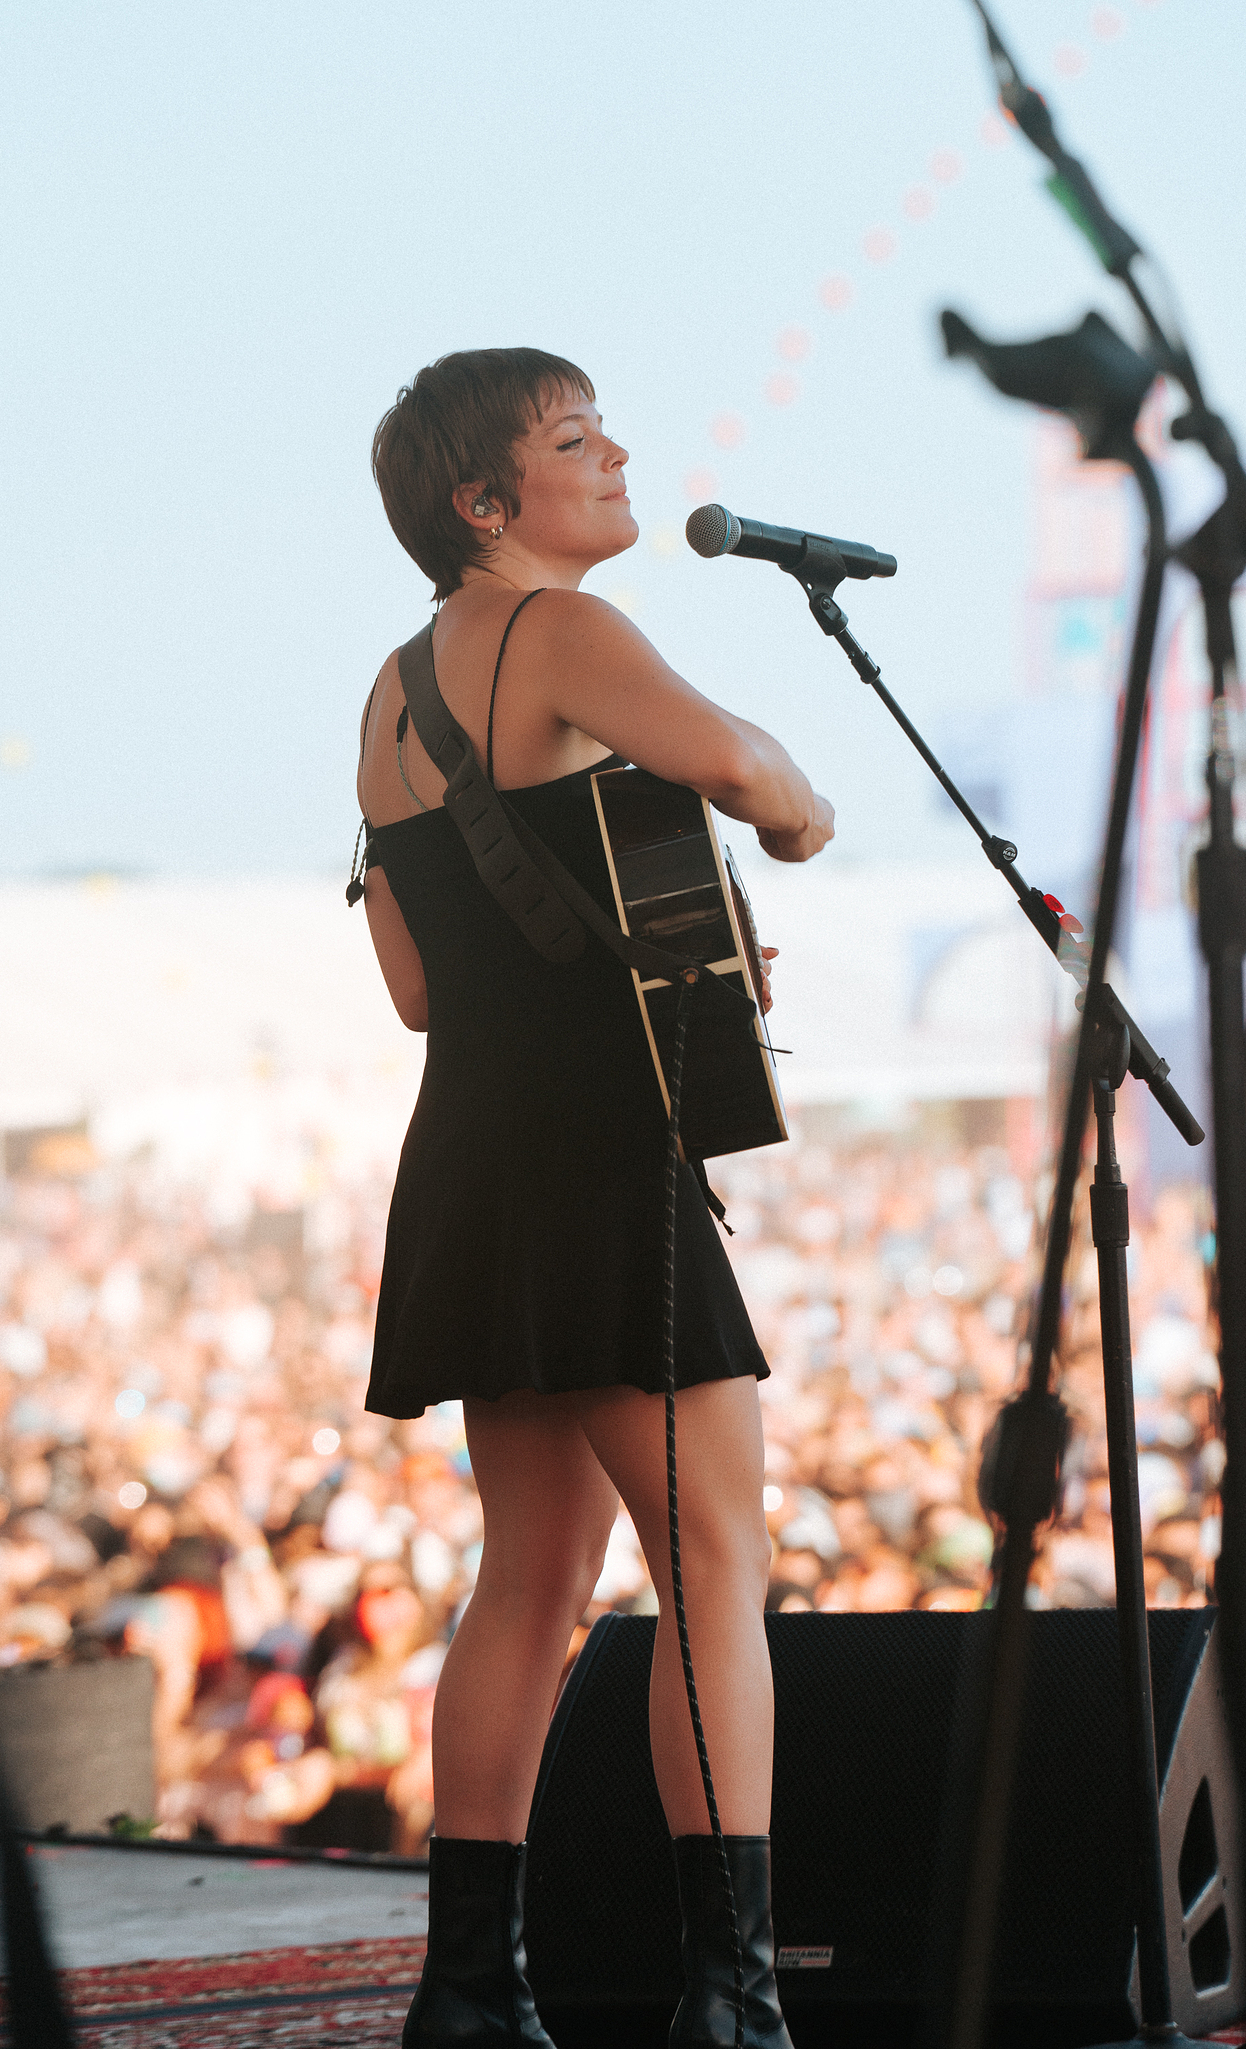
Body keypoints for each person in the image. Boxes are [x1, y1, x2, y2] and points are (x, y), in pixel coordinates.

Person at [357, 348, 834, 2049]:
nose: (618, 454)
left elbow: (417, 987)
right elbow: (745, 776)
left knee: (529, 1575)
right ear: (485, 500)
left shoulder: (387, 695)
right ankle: (732, 1995)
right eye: (576, 437)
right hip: (601, 1152)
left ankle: (469, 1991)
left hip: (472, 1157)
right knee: (711, 1564)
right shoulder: (560, 628)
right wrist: (801, 808)